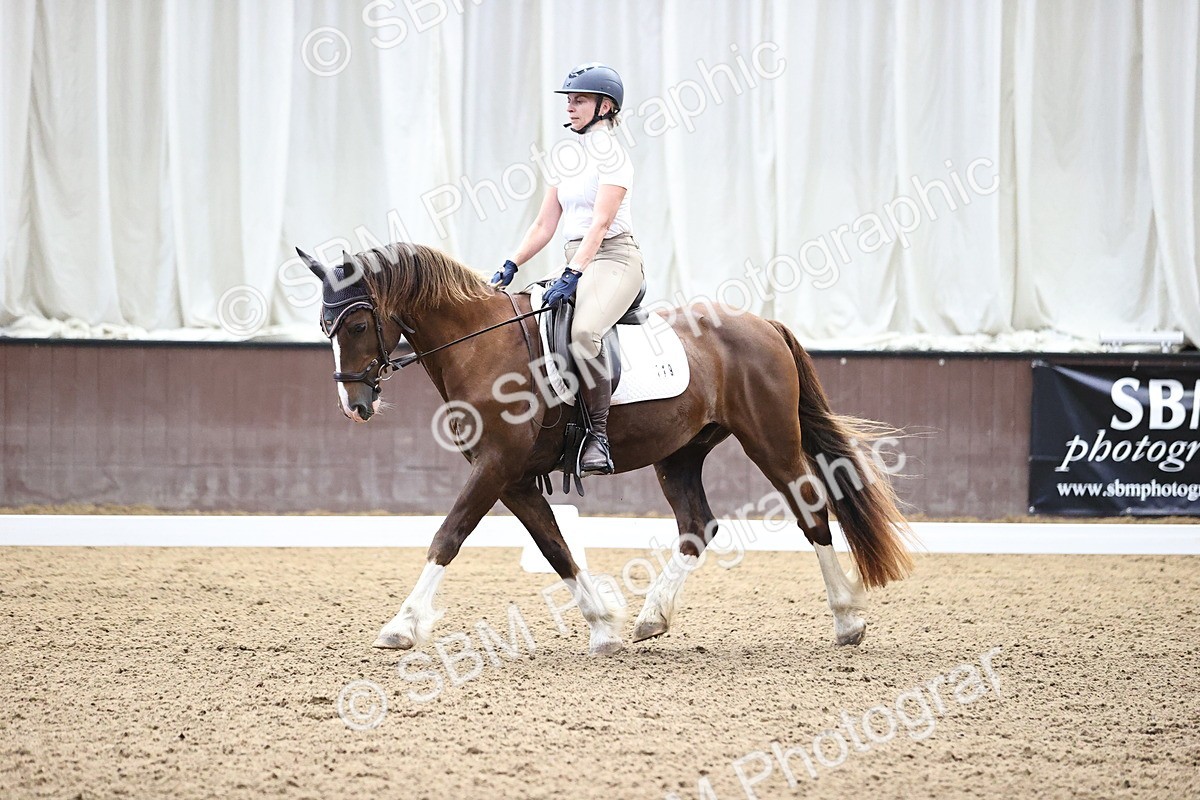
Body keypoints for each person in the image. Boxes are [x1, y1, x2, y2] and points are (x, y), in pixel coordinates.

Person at [492, 62, 644, 476]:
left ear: (606, 106)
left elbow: (601, 223)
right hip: (576, 256)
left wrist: (573, 274)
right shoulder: (566, 156)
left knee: (583, 332)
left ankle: (598, 436)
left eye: (579, 100)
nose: (571, 108)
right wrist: (511, 263)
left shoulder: (614, 156)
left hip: (614, 258)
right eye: (569, 101)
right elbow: (545, 224)